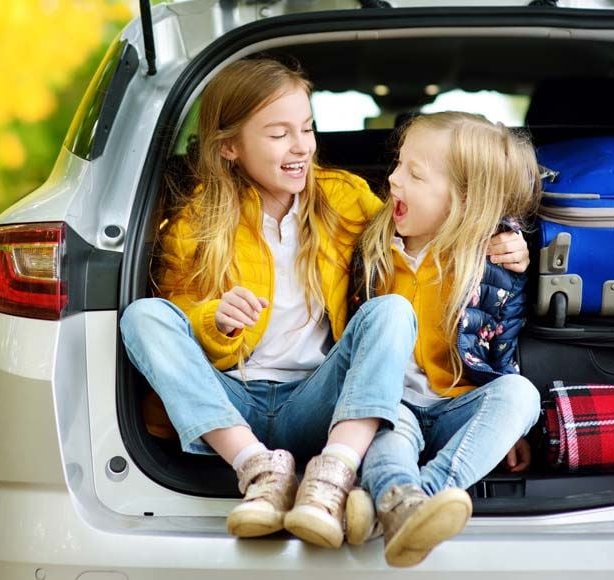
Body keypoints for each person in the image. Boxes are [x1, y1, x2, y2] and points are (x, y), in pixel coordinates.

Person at [119, 59, 531, 549]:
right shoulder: (195, 224)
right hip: (231, 400)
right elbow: (178, 320)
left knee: (392, 312)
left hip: (317, 399)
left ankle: (333, 476)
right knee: (142, 317)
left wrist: (507, 238)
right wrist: (215, 320)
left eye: (308, 128)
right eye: (278, 134)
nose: (301, 146)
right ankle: (259, 472)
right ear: (229, 146)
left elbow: (431, 219)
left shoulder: (345, 200)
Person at [344, 111, 542, 567]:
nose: (392, 179)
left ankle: (414, 499)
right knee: (384, 431)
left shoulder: (493, 260)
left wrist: (504, 428)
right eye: (397, 164)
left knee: (521, 396)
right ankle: (401, 500)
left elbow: (501, 345)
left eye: (414, 174)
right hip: (393, 404)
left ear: (464, 200)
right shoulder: (374, 248)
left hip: (458, 404)